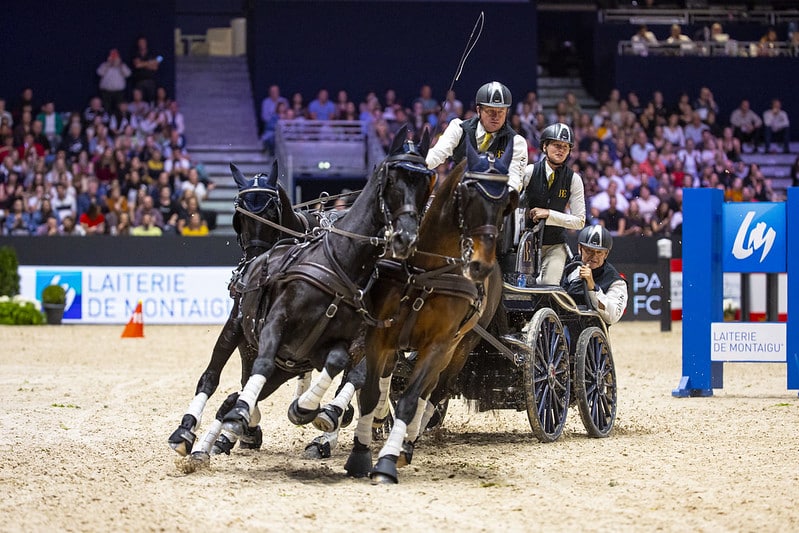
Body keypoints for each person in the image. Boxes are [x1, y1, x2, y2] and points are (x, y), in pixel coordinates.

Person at [425, 81, 527, 192]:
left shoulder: (517, 142)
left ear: (507, 112)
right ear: (479, 110)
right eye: (490, 111)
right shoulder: (458, 128)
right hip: (458, 195)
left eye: (501, 111)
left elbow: (515, 179)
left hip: (494, 198)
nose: (496, 117)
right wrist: (417, 164)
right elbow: (437, 154)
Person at [521, 122, 585, 285]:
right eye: (557, 145)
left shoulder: (574, 179)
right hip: (525, 244)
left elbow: (580, 221)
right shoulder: (529, 172)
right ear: (544, 147)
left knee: (547, 285)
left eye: (566, 147)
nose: (561, 150)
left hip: (555, 245)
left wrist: (549, 214)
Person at [561, 225, 628, 326]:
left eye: (599, 252)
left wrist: (592, 287)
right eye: (589, 250)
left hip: (589, 328)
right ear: (580, 248)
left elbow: (613, 317)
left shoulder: (616, 282)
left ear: (606, 254)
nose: (594, 256)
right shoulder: (567, 264)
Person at [97, 48, 131, 115]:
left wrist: (120, 65)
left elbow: (128, 74)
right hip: (106, 92)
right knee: (106, 110)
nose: (114, 58)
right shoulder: (104, 65)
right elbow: (99, 73)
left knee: (119, 110)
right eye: (112, 56)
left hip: (119, 93)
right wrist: (108, 64)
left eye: (115, 56)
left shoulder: (122, 66)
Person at [131, 36, 161, 103]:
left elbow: (158, 61)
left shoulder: (152, 52)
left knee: (151, 99)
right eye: (140, 42)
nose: (142, 44)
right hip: (139, 81)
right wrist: (150, 63)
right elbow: (137, 65)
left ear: (146, 43)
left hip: (151, 81)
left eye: (143, 42)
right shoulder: (135, 54)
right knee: (140, 99)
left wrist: (143, 64)